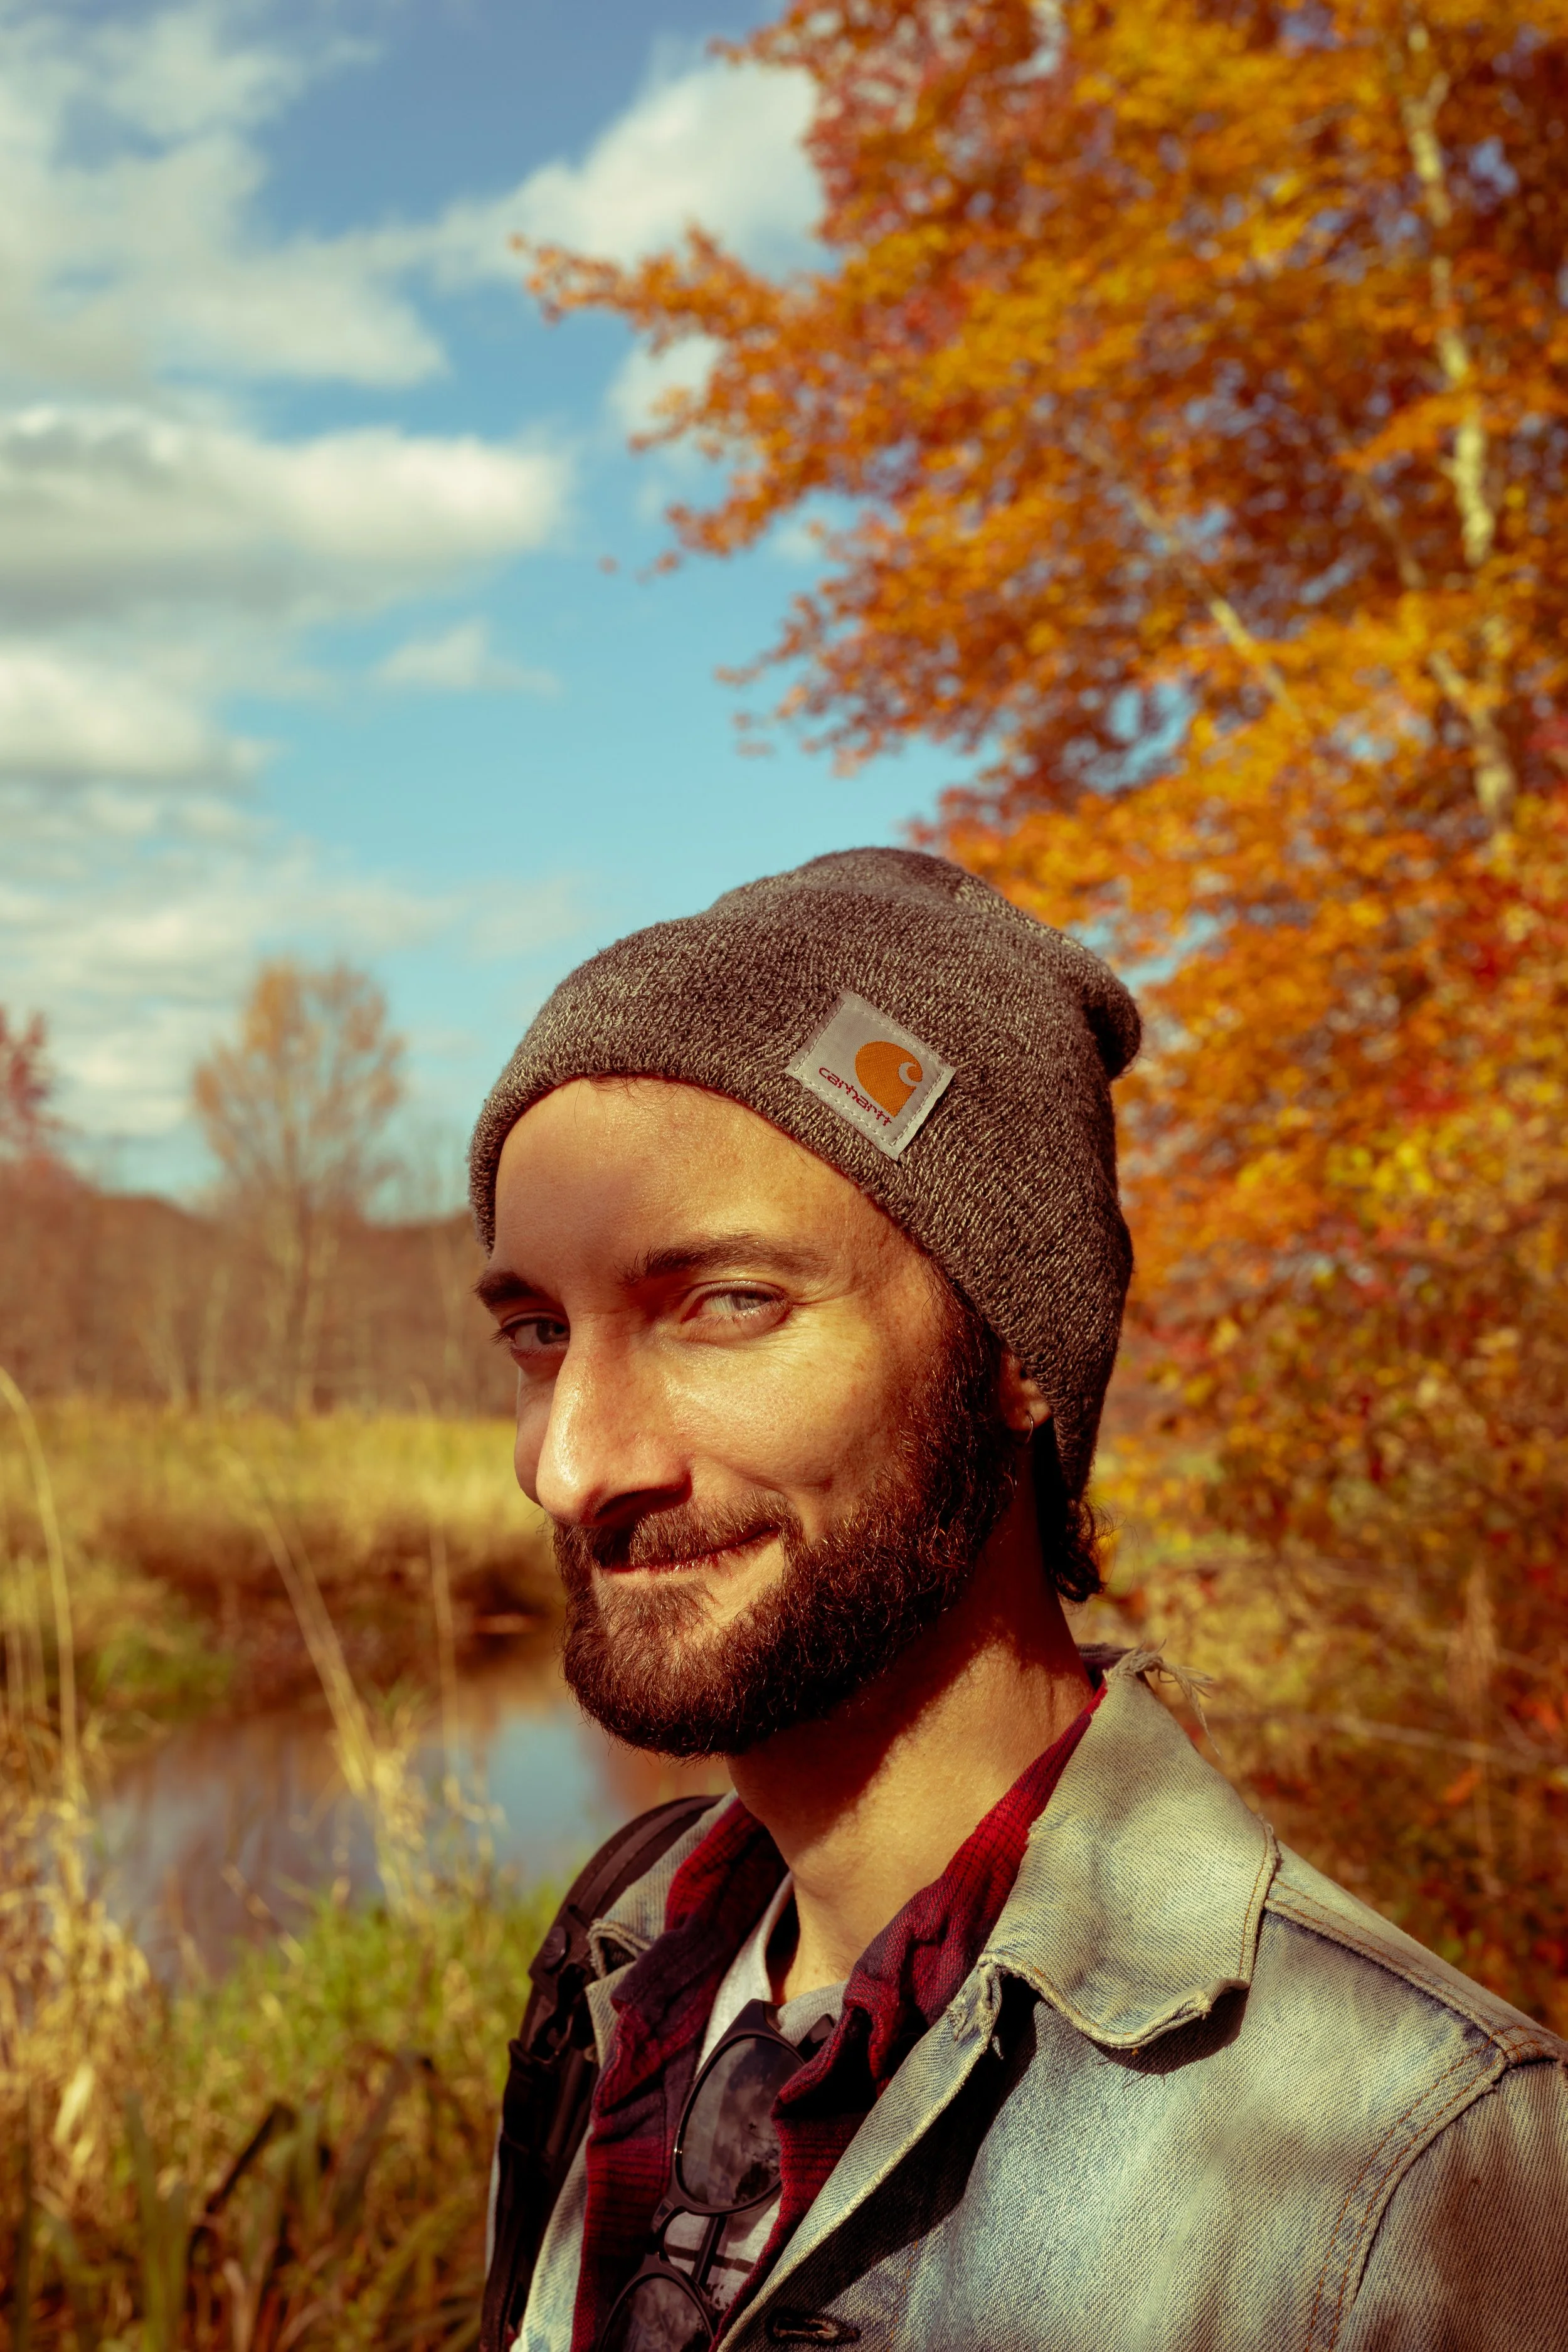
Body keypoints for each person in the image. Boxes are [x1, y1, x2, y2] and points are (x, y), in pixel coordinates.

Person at [469, 847, 1568, 2352]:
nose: (573, 1463)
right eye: (537, 1330)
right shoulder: (627, 1955)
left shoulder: (1404, 2164)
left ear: (1016, 1354)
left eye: (725, 1304)